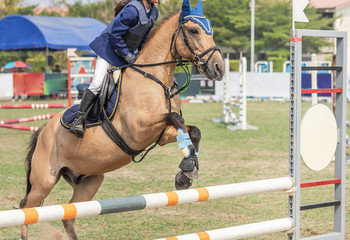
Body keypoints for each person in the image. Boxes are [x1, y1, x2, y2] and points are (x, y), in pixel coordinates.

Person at [69, 0, 159, 138]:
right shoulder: (132, 10)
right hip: (108, 49)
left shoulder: (153, 13)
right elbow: (115, 35)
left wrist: (142, 55)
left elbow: (144, 37)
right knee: (97, 83)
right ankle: (78, 120)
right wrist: (127, 54)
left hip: (125, 54)